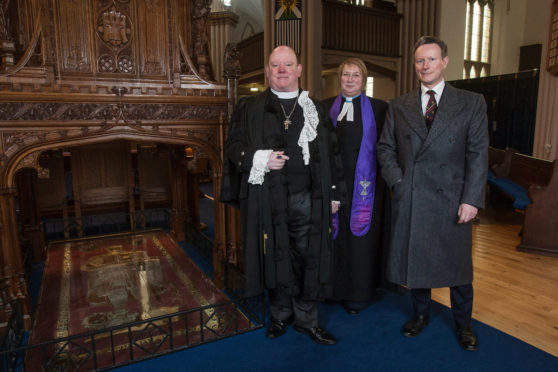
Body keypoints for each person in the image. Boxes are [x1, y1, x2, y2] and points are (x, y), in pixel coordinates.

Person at [220, 46, 345, 345]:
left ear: (299, 70)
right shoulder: (249, 107)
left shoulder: (315, 108)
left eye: (288, 64)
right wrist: (260, 157)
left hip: (309, 199)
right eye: (275, 65)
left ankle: (307, 321)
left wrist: (335, 195)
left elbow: (333, 154)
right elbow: (234, 146)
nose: (282, 70)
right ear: (267, 70)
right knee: (274, 255)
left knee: (307, 258)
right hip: (267, 198)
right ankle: (280, 315)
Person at [377, 36, 488, 351]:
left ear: (445, 61)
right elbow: (385, 148)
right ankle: (420, 315)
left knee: (458, 270)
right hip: (413, 196)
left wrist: (472, 199)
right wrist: (398, 182)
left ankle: (463, 324)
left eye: (431, 59)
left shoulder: (470, 102)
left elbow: (478, 154)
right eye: (419, 61)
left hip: (453, 199)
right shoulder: (399, 106)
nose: (425, 66)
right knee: (418, 265)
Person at [323, 58, 389, 314]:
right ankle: (333, 290)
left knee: (360, 241)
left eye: (356, 75)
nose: (350, 79)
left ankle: (358, 295)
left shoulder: (380, 108)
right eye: (345, 75)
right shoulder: (325, 107)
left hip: (366, 187)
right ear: (339, 78)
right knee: (335, 238)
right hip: (333, 184)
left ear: (363, 80)